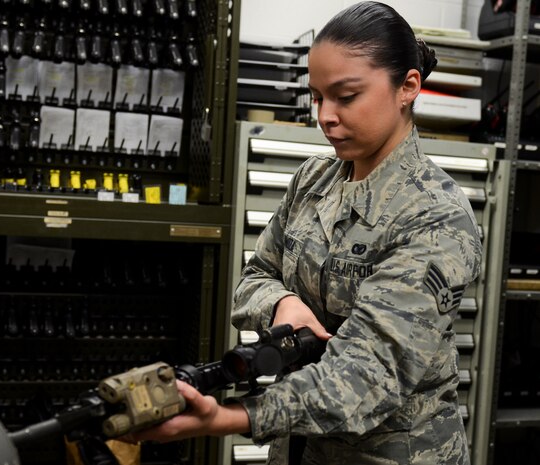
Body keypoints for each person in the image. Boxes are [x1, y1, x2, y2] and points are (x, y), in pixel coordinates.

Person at [128, 2, 482, 464]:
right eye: (317, 97)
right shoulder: (313, 180)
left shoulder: (436, 216)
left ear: (407, 87)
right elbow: (252, 279)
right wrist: (282, 302)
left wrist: (230, 418)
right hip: (298, 449)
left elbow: (369, 376)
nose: (325, 116)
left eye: (346, 96)